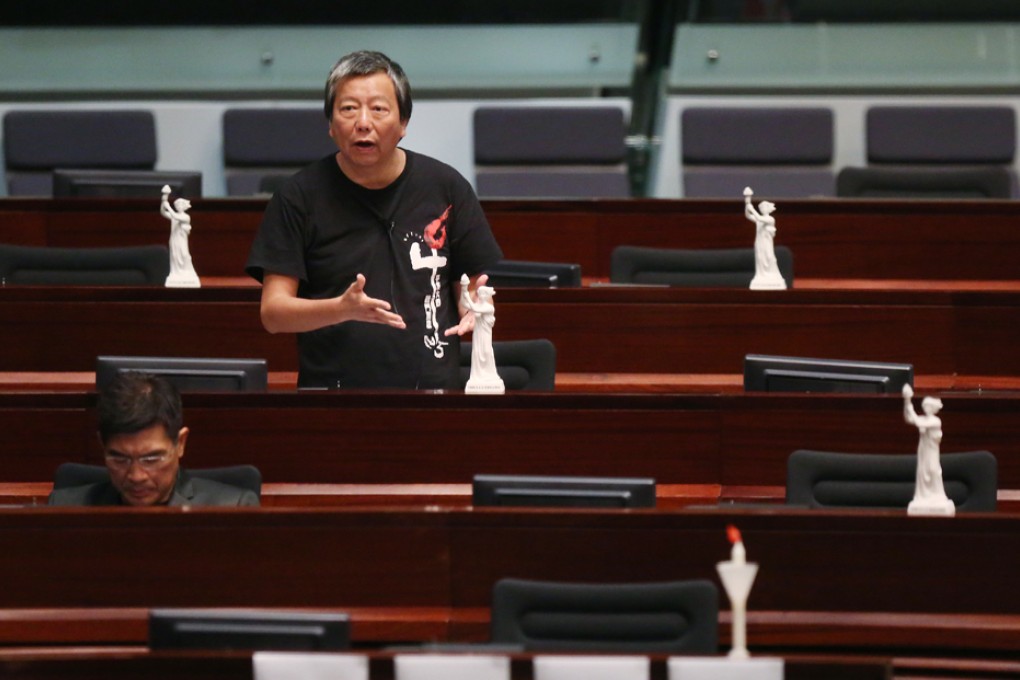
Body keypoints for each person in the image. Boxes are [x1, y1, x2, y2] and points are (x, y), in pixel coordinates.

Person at [245, 50, 504, 389]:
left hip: (433, 392)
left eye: (378, 109)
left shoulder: (445, 188)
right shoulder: (297, 197)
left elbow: (470, 286)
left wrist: (473, 307)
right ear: (330, 125)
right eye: (348, 109)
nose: (363, 122)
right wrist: (341, 309)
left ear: (403, 123)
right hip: (332, 396)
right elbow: (273, 314)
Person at [48, 372, 259, 507]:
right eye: (120, 459)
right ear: (102, 445)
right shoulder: (65, 508)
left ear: (180, 444)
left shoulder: (232, 508)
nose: (136, 476)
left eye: (151, 459)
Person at [901, 383, 951, 509]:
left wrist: (909, 401)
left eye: (928, 406)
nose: (925, 408)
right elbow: (909, 419)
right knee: (923, 472)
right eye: (925, 406)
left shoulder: (936, 421)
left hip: (932, 451)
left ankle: (938, 496)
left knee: (933, 470)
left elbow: (917, 422)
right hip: (923, 450)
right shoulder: (924, 419)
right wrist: (907, 401)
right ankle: (924, 496)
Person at [743, 186, 785, 289]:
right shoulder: (759, 220)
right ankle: (761, 276)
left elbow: (758, 217)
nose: (762, 209)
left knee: (769, 257)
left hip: (767, 243)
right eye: (760, 208)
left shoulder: (770, 219)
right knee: (760, 258)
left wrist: (752, 209)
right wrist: (747, 205)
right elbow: (748, 216)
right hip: (759, 242)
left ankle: (772, 275)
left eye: (763, 207)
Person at [160, 184, 200, 287]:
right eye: (177, 205)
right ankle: (176, 274)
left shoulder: (186, 217)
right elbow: (163, 213)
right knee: (175, 255)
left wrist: (168, 206)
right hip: (174, 239)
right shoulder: (174, 216)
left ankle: (187, 273)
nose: (178, 206)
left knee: (184, 255)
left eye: (180, 205)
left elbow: (175, 216)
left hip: (182, 240)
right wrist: (163, 202)